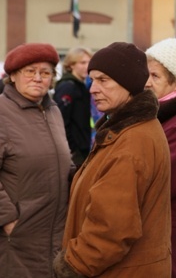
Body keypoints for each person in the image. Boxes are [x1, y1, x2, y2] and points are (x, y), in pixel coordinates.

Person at [53, 42, 171, 278]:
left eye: (103, 80)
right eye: (92, 80)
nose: (92, 89)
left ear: (128, 83)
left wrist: (72, 266)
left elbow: (112, 230)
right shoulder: (128, 130)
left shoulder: (132, 141)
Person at [0, 43, 72, 277]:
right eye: (30, 71)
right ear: (12, 76)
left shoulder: (53, 112)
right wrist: (10, 223)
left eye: (45, 73)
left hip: (49, 237)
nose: (38, 78)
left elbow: (61, 163)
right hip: (8, 241)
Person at [145, 38, 176, 278]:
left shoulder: (169, 119)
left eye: (155, 76)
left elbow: (164, 178)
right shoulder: (156, 113)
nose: (146, 83)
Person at [53, 47, 93, 167]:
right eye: (82, 62)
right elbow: (60, 121)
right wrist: (72, 149)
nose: (87, 66)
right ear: (71, 65)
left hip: (83, 148)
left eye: (89, 62)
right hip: (74, 153)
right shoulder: (68, 87)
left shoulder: (82, 86)